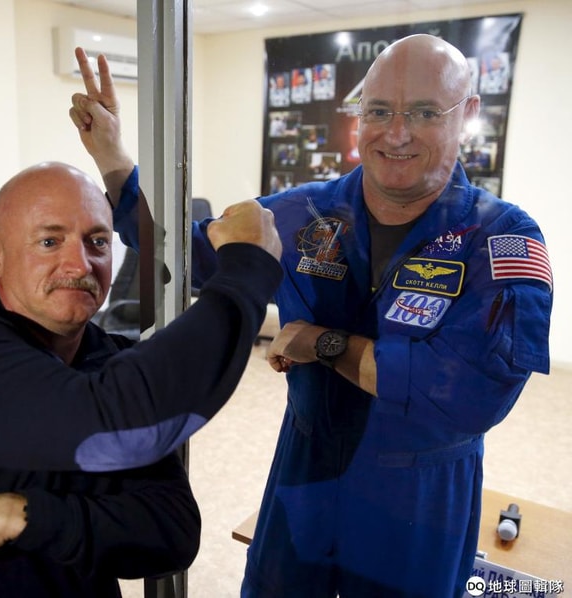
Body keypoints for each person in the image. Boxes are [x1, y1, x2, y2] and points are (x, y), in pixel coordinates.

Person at [69, 34, 553, 598]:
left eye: (425, 112)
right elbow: (182, 252)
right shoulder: (305, 213)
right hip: (304, 473)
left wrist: (325, 344)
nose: (396, 133)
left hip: (420, 499)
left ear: (467, 114)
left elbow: (470, 395)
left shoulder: (502, 239)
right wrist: (111, 155)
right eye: (379, 111)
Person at [0, 161, 283, 596]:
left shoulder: (112, 361)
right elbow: (114, 422)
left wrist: (21, 515)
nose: (79, 264)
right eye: (49, 241)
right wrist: (246, 270)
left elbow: (171, 534)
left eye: (97, 242)